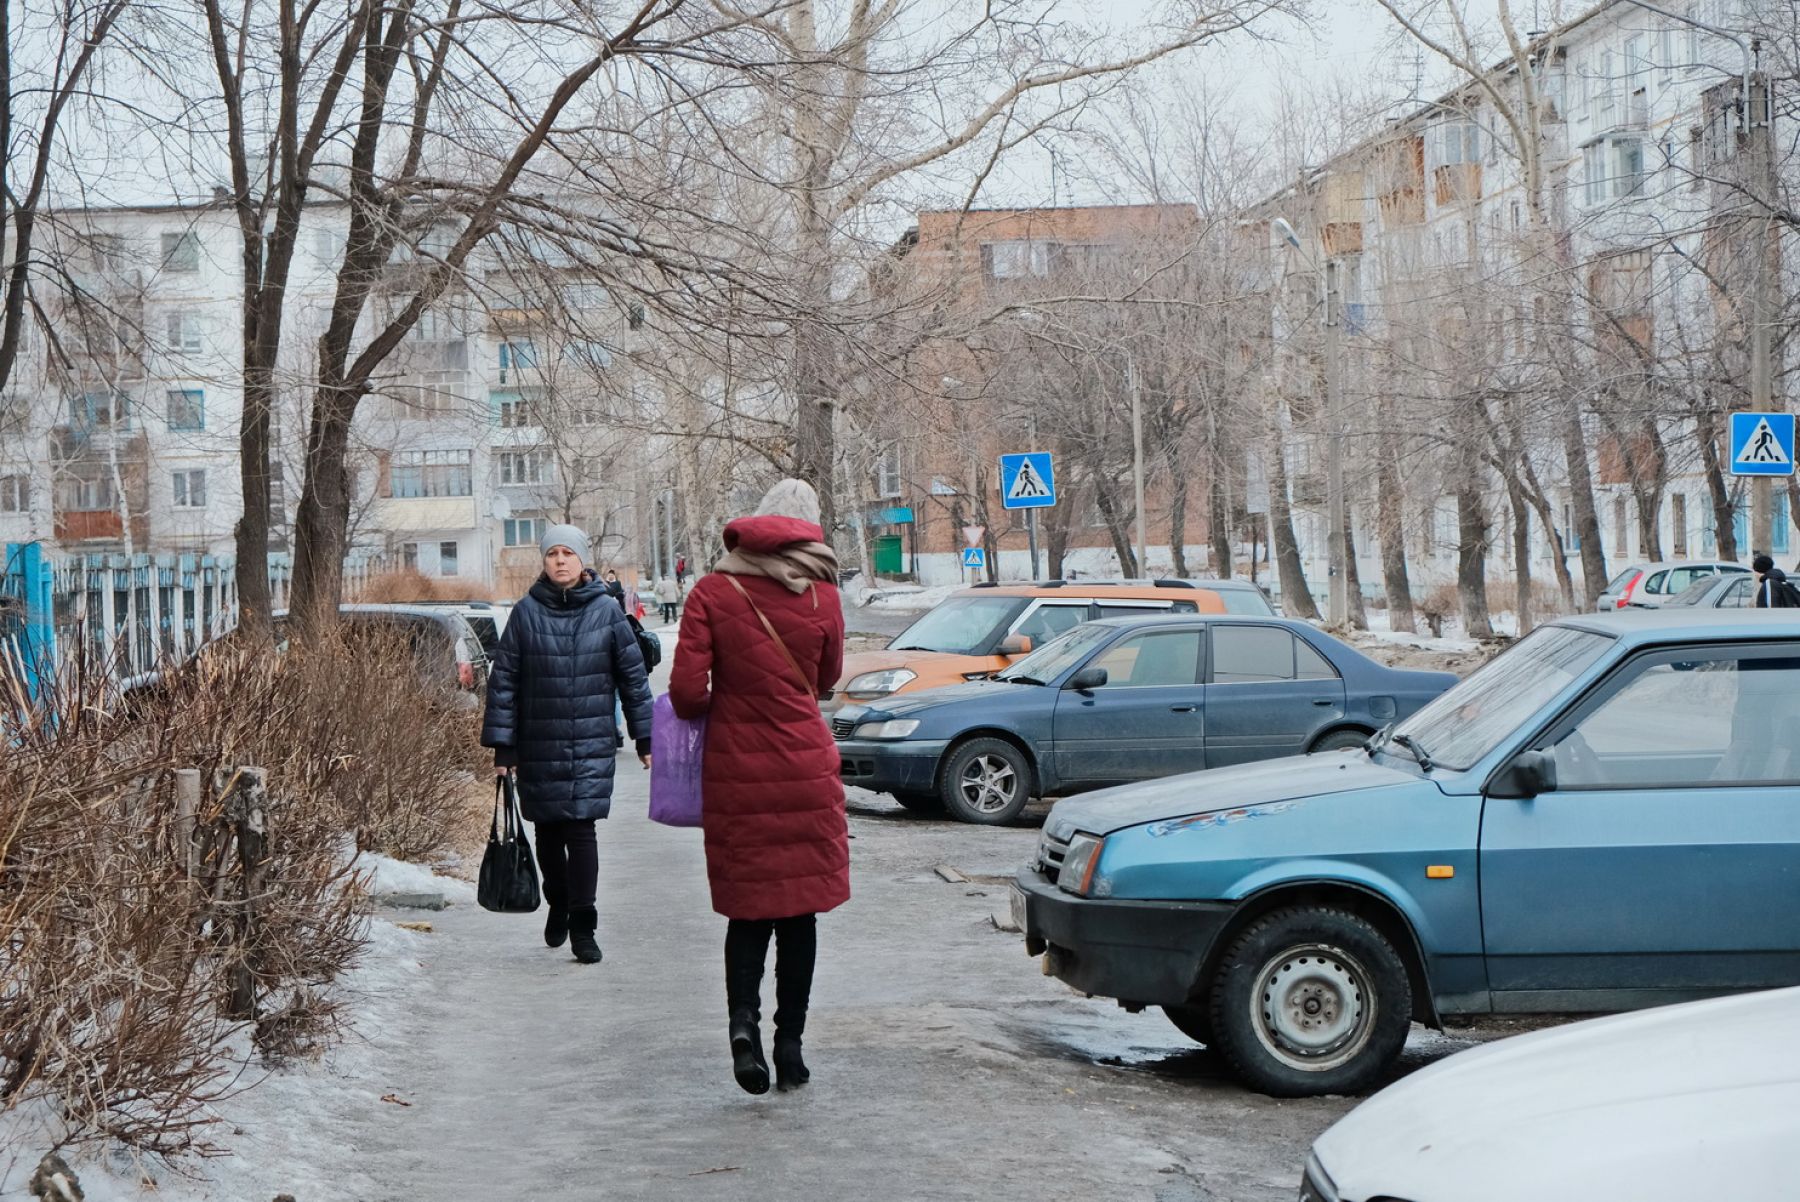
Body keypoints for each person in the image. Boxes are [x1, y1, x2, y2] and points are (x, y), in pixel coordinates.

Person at [668, 479, 848, 1095]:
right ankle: (790, 1046)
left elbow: (685, 694)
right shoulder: (824, 594)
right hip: (805, 769)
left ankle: (742, 1025)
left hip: (738, 772)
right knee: (799, 913)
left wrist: (730, 704)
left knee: (748, 911)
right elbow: (825, 679)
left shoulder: (713, 591)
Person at [482, 525, 654, 964]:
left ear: (582, 560)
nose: (560, 560)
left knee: (580, 831)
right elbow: (504, 683)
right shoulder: (525, 613)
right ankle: (558, 901)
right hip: (538, 742)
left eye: (568, 553)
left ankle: (583, 924)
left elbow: (633, 679)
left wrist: (645, 736)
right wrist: (504, 747)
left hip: (590, 741)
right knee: (547, 831)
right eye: (552, 553)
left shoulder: (607, 611)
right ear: (544, 561)